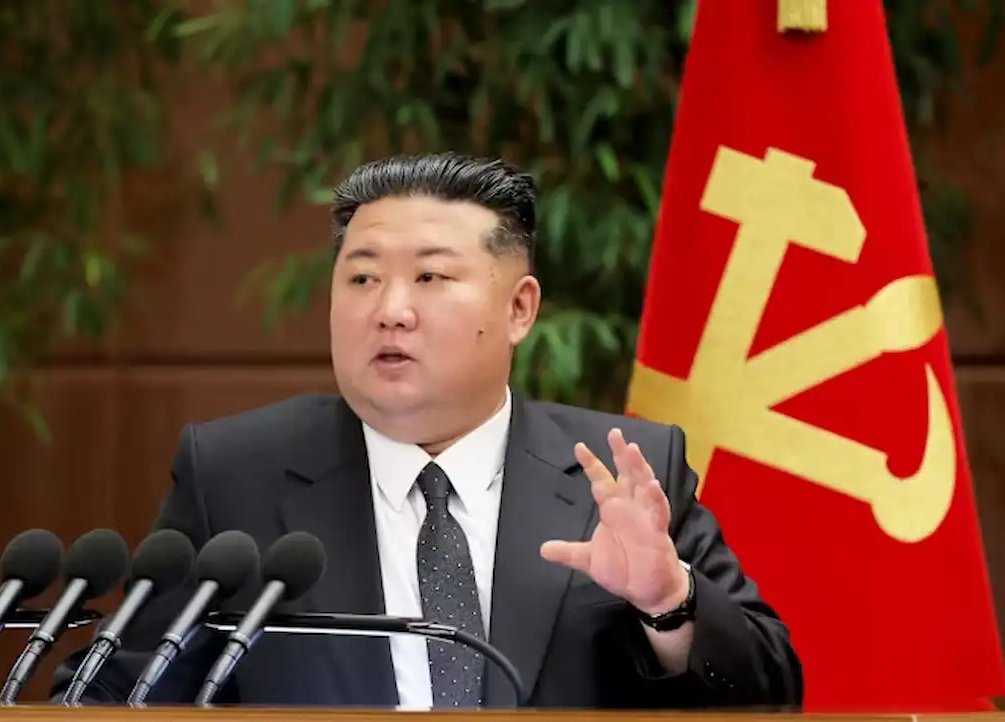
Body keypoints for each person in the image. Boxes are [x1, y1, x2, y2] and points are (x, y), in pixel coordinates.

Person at [50, 152, 802, 710]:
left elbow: (770, 696)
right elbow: (111, 695)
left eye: (431, 277)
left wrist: (669, 600)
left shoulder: (623, 475)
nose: (391, 310)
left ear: (519, 309)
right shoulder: (237, 474)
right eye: (362, 278)